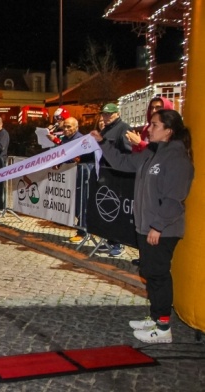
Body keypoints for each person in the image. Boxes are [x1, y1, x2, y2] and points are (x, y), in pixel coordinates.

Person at [92, 109, 193, 344]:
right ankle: (156, 316)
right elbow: (123, 162)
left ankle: (163, 326)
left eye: (155, 125)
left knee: (158, 275)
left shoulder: (177, 159)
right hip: (146, 226)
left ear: (168, 131)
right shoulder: (150, 152)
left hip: (163, 230)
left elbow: (174, 199)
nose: (149, 128)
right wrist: (102, 143)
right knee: (148, 272)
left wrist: (158, 226)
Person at [98, 103, 133, 257]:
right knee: (107, 208)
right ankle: (110, 240)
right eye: (104, 114)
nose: (105, 117)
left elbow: (127, 152)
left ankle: (118, 243)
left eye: (108, 114)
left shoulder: (123, 128)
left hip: (117, 175)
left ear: (116, 114)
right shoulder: (105, 129)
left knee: (117, 211)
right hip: (106, 176)